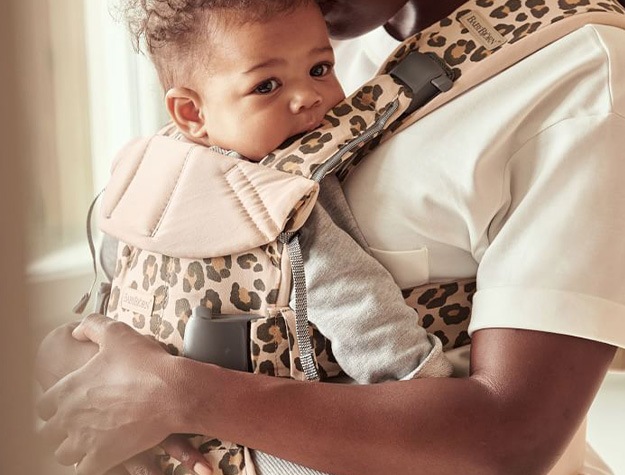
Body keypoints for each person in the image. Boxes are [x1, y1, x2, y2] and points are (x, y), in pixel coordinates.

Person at [37, 0, 625, 474]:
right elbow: (140, 277)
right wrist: (94, 378)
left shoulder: (578, 76)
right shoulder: (291, 32)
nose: (310, 92)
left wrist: (179, 396)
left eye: (320, 70)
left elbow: (508, 441)